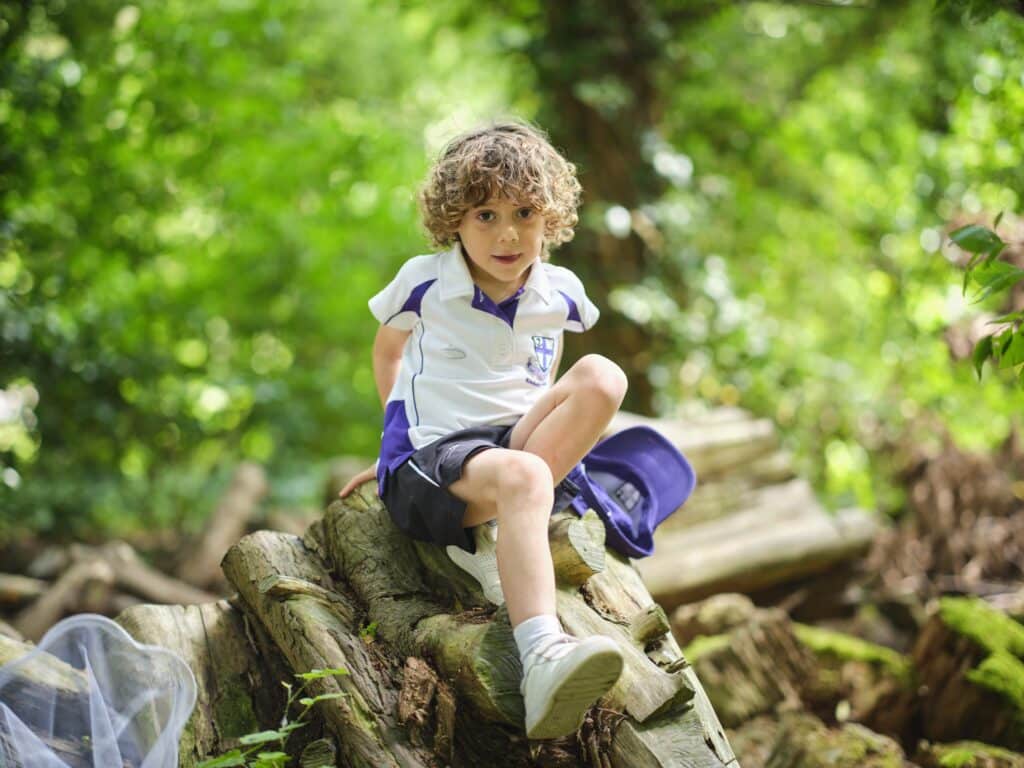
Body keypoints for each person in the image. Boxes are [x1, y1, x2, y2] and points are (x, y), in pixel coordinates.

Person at [338, 120, 627, 740]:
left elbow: (544, 366)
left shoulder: (562, 292)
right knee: (525, 475)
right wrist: (392, 442)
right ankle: (542, 658)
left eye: (525, 213)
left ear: (550, 218)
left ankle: (512, 513)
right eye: (486, 215)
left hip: (510, 448)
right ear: (455, 220)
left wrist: (535, 428)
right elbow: (388, 351)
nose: (508, 234)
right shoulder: (424, 282)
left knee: (603, 378)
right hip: (435, 458)